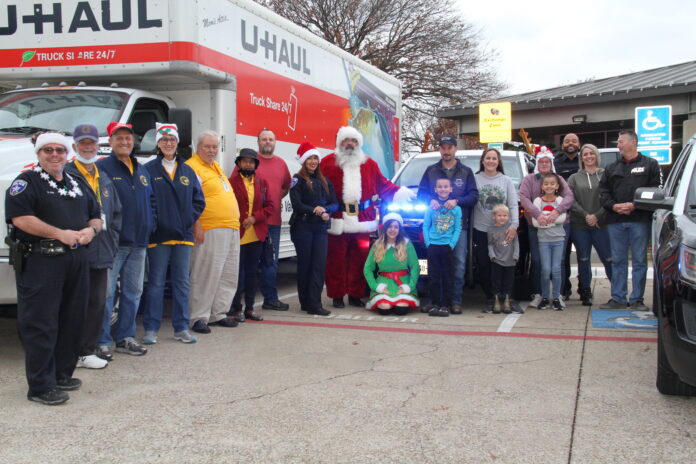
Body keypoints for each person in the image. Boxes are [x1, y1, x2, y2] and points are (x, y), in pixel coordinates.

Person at [6, 132, 102, 405]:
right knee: (41, 323)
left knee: (72, 320)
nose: (55, 155)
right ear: (38, 154)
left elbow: (97, 215)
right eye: (48, 150)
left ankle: (61, 374)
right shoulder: (27, 182)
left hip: (75, 260)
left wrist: (90, 231)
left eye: (60, 149)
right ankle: (39, 386)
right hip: (41, 261)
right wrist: (60, 233)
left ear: (68, 152)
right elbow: (21, 218)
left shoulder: (76, 182)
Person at [320, 126, 415, 308]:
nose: (350, 144)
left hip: (363, 220)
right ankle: (337, 295)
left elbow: (383, 185)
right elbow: (318, 187)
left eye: (354, 141)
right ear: (339, 142)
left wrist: (399, 192)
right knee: (335, 261)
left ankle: (356, 294)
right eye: (346, 140)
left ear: (359, 144)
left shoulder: (370, 164)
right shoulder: (326, 164)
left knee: (360, 260)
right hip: (337, 220)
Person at [141, 123, 205, 345]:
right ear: (158, 143)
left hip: (183, 236)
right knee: (156, 283)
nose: (168, 143)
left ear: (178, 143)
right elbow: (145, 201)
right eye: (164, 140)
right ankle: (150, 328)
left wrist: (186, 219)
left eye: (172, 140)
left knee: (181, 283)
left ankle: (181, 328)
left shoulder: (189, 171)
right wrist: (155, 222)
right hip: (158, 237)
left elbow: (199, 201)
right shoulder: (148, 170)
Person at [96, 122, 156, 357]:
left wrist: (152, 223)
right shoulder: (103, 168)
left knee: (133, 293)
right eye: (119, 138)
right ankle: (102, 341)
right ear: (110, 142)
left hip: (139, 243)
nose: (124, 142)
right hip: (114, 243)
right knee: (107, 294)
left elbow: (151, 201)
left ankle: (126, 337)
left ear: (134, 142)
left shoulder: (141, 169)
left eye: (128, 138)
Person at [65, 124, 121, 369]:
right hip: (77, 251)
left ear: (98, 146)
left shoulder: (103, 175)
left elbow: (116, 213)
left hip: (102, 251)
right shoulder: (66, 174)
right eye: (83, 143)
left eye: (92, 143)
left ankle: (87, 351)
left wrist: (113, 239)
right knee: (73, 305)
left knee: (97, 303)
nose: (88, 148)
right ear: (75, 146)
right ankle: (70, 352)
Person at [598, 130, 662, 310]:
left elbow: (656, 190)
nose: (618, 145)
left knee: (640, 260)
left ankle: (637, 300)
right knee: (618, 260)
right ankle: (618, 298)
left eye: (620, 142)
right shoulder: (611, 168)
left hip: (640, 219)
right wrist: (614, 206)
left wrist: (635, 205)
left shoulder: (650, 164)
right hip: (615, 220)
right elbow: (603, 192)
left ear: (633, 142)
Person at [185, 131, 241, 333]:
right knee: (206, 274)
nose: (211, 150)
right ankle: (198, 317)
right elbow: (189, 199)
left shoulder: (215, 166)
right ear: (198, 148)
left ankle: (218, 313)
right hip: (210, 228)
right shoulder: (192, 167)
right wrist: (196, 225)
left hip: (231, 228)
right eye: (207, 147)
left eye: (215, 147)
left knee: (227, 275)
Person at [417, 135, 478, 314]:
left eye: (449, 147)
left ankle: (455, 301)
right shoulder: (430, 170)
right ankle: (432, 300)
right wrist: (431, 201)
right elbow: (420, 194)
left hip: (458, 229)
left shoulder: (466, 172)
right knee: (430, 266)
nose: (446, 151)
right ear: (440, 150)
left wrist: (457, 201)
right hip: (434, 230)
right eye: (443, 148)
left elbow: (474, 196)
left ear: (455, 149)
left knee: (458, 264)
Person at [519, 147, 574, 309]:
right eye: (541, 161)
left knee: (560, 261)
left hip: (558, 227)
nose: (544, 164)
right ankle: (538, 294)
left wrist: (557, 211)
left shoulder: (559, 179)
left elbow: (569, 197)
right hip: (536, 227)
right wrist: (537, 214)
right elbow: (523, 198)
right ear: (537, 163)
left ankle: (560, 294)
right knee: (537, 261)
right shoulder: (529, 179)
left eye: (547, 162)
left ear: (551, 163)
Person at [289, 142, 338, 316]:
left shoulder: (325, 181)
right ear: (303, 160)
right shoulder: (297, 180)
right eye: (309, 158)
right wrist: (314, 210)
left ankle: (315, 303)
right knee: (305, 265)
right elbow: (297, 204)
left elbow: (334, 203)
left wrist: (326, 211)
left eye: (315, 158)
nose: (313, 161)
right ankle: (306, 302)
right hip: (303, 227)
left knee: (318, 265)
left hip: (320, 229)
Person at [472, 148, 521, 313]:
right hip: (481, 229)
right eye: (488, 158)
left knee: (506, 265)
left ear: (498, 161)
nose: (491, 161)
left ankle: (506, 296)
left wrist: (514, 225)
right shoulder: (475, 178)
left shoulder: (506, 180)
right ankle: (490, 297)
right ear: (483, 161)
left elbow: (513, 204)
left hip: (504, 230)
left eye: (494, 158)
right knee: (484, 264)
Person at [229, 148, 273, 321]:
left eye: (251, 161)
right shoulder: (231, 182)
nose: (248, 163)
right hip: (238, 234)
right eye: (245, 161)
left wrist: (255, 218)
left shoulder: (262, 183)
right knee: (237, 273)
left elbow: (270, 206)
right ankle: (236, 308)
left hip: (256, 234)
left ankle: (250, 308)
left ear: (255, 164)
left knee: (252, 273)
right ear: (239, 163)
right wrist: (241, 220)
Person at [567, 144, 613, 306]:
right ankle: (585, 291)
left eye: (591, 153)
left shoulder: (606, 175)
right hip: (580, 225)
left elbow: (610, 198)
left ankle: (617, 292)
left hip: (602, 224)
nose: (588, 157)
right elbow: (570, 200)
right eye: (585, 154)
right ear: (581, 158)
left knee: (608, 258)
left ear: (596, 155)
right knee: (583, 259)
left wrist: (597, 216)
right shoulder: (574, 178)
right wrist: (586, 216)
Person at [254, 129, 292, 311]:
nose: (267, 142)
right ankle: (242, 304)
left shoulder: (281, 164)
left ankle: (270, 299)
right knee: (250, 262)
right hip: (252, 222)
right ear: (258, 142)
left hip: (274, 222)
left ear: (275, 142)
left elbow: (286, 187)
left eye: (270, 139)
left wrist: (274, 200)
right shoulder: (249, 162)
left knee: (271, 262)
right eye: (264, 139)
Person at [364, 213, 420, 315]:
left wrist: (409, 287)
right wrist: (376, 286)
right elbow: (367, 268)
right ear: (385, 228)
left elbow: (415, 267)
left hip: (403, 283)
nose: (392, 230)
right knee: (384, 309)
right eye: (389, 226)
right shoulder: (377, 245)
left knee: (401, 310)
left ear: (399, 230)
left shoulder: (407, 244)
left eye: (396, 227)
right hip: (384, 283)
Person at [423, 176, 462, 317]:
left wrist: (451, 244)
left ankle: (445, 304)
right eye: (440, 186)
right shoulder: (431, 208)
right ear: (435, 189)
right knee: (433, 276)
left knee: (447, 276)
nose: (443, 189)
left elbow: (458, 228)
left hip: (447, 246)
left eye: (446, 186)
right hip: (433, 245)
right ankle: (434, 303)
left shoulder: (456, 209)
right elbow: (426, 226)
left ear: (451, 189)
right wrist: (428, 242)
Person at [532, 173, 568, 310]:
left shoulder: (560, 200)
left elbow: (562, 218)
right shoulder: (537, 201)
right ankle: (545, 297)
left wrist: (546, 221)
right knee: (546, 269)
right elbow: (536, 222)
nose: (549, 186)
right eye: (546, 184)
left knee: (556, 269)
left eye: (552, 183)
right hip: (544, 240)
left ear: (557, 186)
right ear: (542, 186)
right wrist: (550, 221)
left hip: (558, 239)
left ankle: (557, 296)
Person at [555, 133, 582, 300]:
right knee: (563, 255)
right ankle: (565, 289)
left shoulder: (585, 160)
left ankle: (584, 288)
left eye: (574, 141)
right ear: (562, 144)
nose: (570, 144)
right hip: (562, 216)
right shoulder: (556, 162)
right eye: (567, 141)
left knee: (583, 256)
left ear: (579, 144)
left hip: (581, 216)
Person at [487, 204, 520, 314]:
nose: (502, 218)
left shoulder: (511, 228)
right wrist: (492, 255)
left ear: (509, 216)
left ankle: (507, 300)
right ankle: (496, 300)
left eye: (505, 215)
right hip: (497, 260)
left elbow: (516, 243)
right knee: (496, 281)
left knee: (508, 282)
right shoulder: (491, 229)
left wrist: (516, 255)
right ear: (494, 217)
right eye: (499, 215)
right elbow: (490, 244)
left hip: (510, 260)